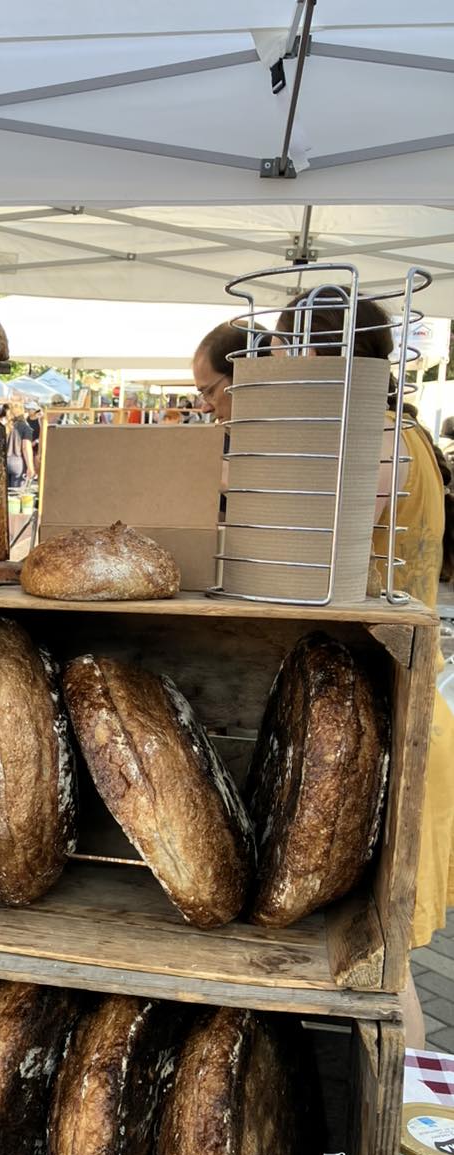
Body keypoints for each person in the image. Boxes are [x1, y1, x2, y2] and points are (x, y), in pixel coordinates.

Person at [274, 290, 454, 1046]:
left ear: (324, 358)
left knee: (380, 965)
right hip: (394, 713)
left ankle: (400, 1135)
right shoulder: (403, 436)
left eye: (288, 354)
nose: (280, 373)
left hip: (392, 725)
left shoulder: (371, 447)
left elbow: (304, 561)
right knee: (377, 958)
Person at [4, 398, 35, 488]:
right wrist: (30, 466)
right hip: (18, 462)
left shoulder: (5, 427)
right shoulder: (25, 428)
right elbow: (26, 447)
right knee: (16, 495)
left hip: (4, 462)